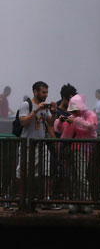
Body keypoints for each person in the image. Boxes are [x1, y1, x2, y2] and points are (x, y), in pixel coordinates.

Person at [14, 81, 57, 210]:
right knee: (22, 173)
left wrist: (54, 112)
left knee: (46, 171)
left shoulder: (44, 107)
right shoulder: (26, 105)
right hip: (28, 145)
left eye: (47, 92)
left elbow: (50, 122)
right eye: (43, 92)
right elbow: (23, 122)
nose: (46, 95)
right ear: (35, 92)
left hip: (41, 145)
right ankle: (22, 199)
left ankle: (46, 199)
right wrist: (36, 110)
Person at [54, 94, 98, 214]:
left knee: (80, 177)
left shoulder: (90, 115)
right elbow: (59, 129)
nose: (73, 112)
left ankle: (86, 202)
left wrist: (74, 121)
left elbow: (90, 127)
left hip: (82, 149)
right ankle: (76, 202)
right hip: (70, 150)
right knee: (73, 177)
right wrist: (60, 121)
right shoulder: (72, 117)